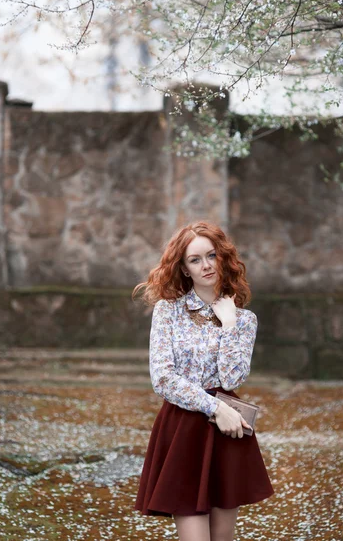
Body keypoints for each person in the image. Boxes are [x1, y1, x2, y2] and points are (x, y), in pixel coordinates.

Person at [133, 221, 274, 541]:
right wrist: (215, 408)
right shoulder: (168, 311)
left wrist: (228, 325)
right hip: (184, 425)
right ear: (183, 268)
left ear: (223, 258)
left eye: (211, 255)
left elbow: (233, 377)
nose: (206, 265)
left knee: (223, 536)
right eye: (195, 259)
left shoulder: (244, 319)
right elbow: (163, 379)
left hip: (226, 432)